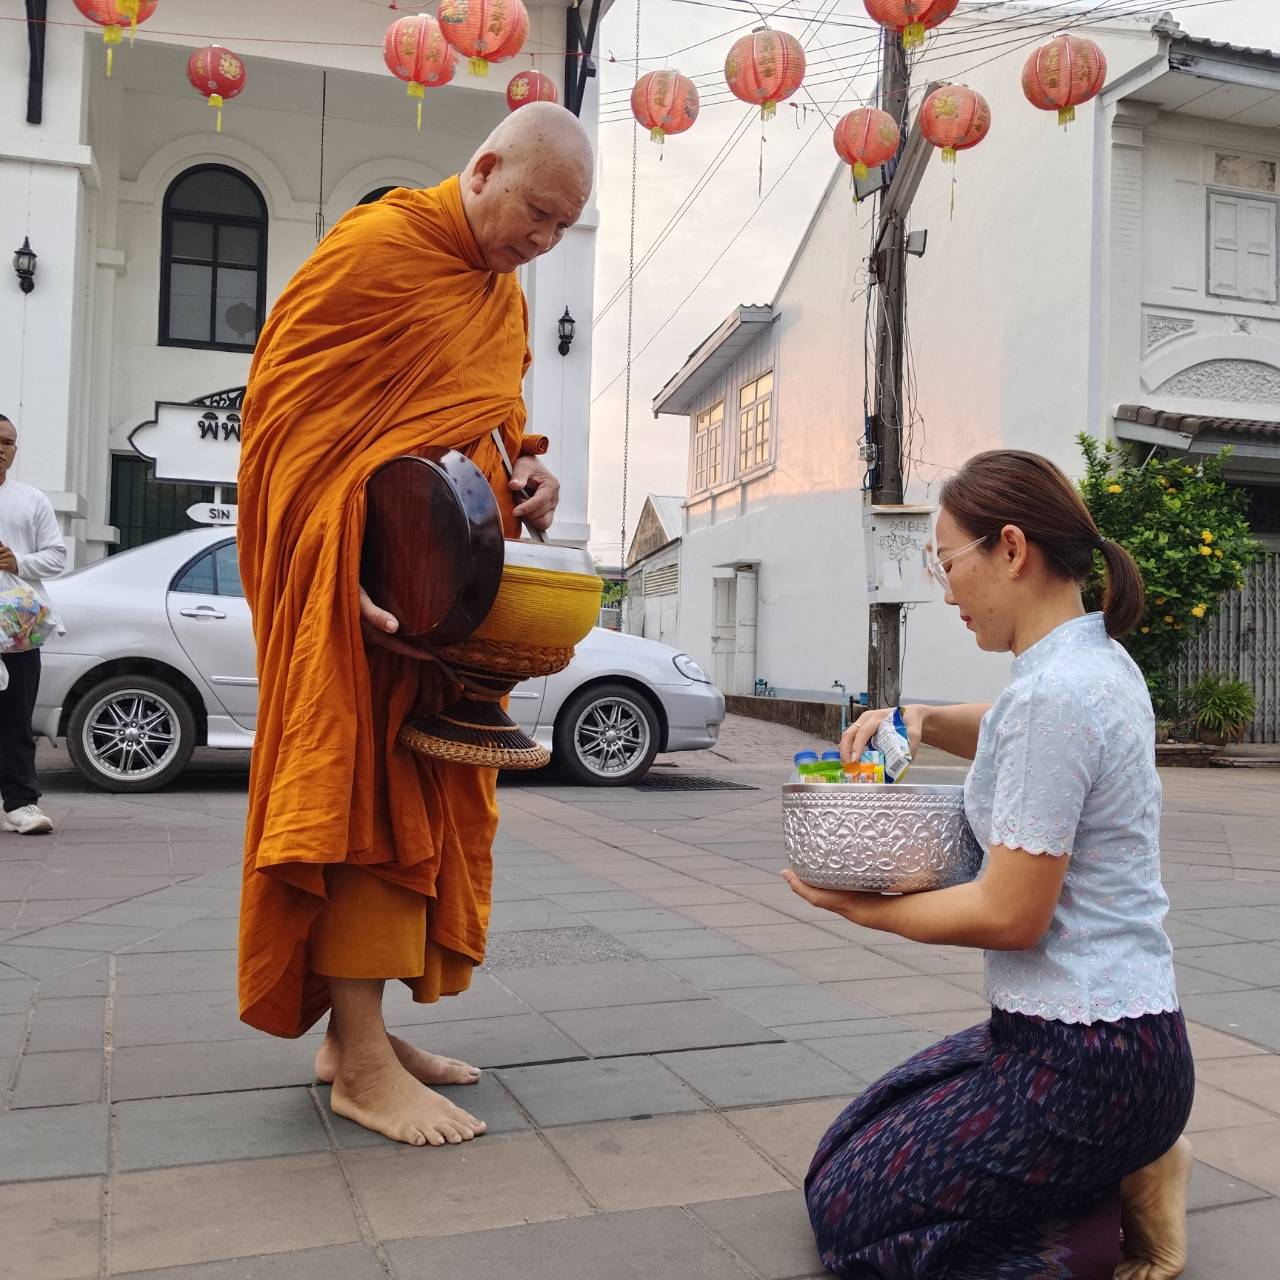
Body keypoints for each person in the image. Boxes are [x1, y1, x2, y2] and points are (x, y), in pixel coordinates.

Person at [236, 103, 593, 1149]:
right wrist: (330, 563)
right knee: (357, 808)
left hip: (443, 612)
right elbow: (281, 429)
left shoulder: (500, 294)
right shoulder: (377, 250)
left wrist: (530, 476)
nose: (543, 240)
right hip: (358, 605)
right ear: (483, 170)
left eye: (562, 226)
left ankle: (358, 1040)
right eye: (535, 212)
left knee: (420, 807)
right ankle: (361, 1066)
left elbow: (491, 426)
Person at [785, 450, 1194, 1280]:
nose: (947, 592)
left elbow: (1010, 915)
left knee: (849, 1222)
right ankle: (1129, 1156)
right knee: (842, 1153)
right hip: (1098, 1040)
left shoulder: (1056, 694)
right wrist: (921, 718)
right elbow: (1012, 728)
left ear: (1011, 549)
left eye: (947, 564)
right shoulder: (1090, 662)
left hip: (1091, 1066)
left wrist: (861, 908)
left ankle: (1105, 1212)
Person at [0, 414, 66, 836]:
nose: (1, 448)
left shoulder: (31, 500)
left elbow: (57, 557)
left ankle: (21, 803)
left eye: (8, 442)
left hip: (18, 626)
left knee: (16, 718)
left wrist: (18, 561)